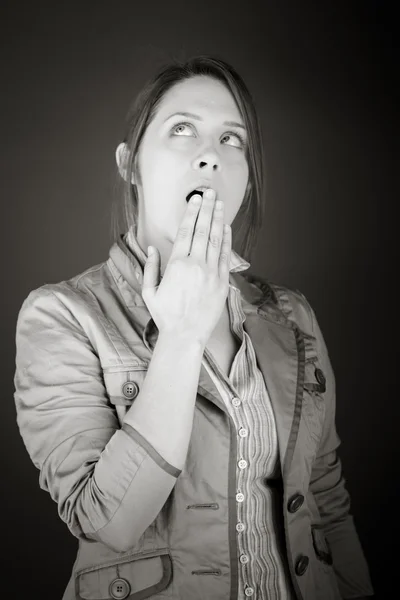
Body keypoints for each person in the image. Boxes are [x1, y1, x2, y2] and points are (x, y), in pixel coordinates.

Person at [13, 55, 375, 600]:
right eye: (182, 130)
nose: (210, 155)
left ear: (247, 179)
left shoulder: (293, 316)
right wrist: (180, 337)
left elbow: (325, 496)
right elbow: (106, 520)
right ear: (129, 164)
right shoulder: (60, 315)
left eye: (232, 139)